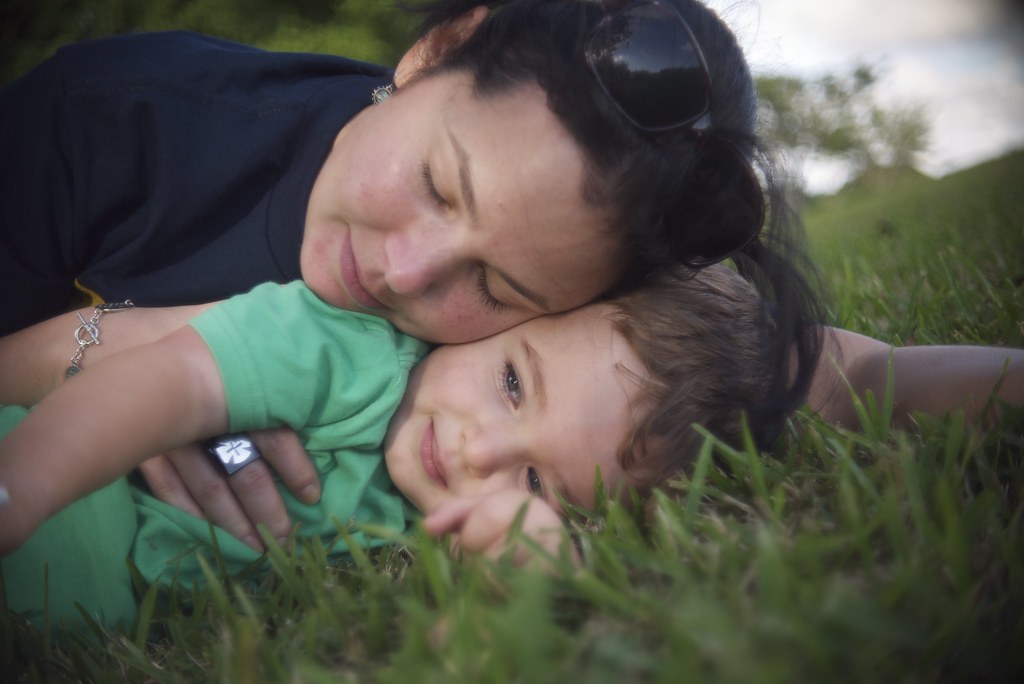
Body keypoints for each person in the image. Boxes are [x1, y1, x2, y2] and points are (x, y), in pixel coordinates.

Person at [0, 1, 827, 548]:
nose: (403, 271)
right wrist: (116, 359)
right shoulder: (106, 122)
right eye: (438, 184)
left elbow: (791, 362)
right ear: (439, 50)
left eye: (497, 288)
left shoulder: (568, 316)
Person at [0, 264, 783, 633]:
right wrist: (24, 485)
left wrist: (539, 571)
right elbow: (168, 381)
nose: (482, 452)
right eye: (513, 384)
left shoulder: (432, 527)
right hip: (57, 498)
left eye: (538, 482)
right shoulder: (347, 351)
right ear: (504, 314)